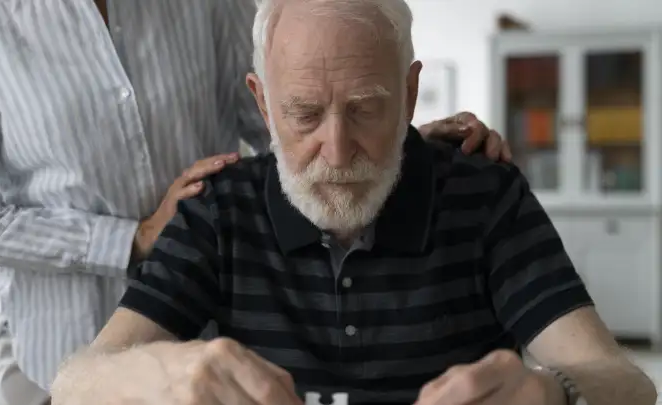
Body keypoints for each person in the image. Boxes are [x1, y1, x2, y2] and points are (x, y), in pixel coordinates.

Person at [49, 1, 656, 405]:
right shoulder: (218, 210)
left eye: (366, 108)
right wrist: (160, 375)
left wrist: (551, 393)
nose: (337, 153)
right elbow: (74, 385)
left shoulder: (486, 196)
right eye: (304, 114)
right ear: (262, 104)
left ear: (410, 93)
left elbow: (629, 383)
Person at [0, 1, 508, 404]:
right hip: (54, 341)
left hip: (210, 326)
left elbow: (285, 118)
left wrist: (385, 148)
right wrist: (135, 237)